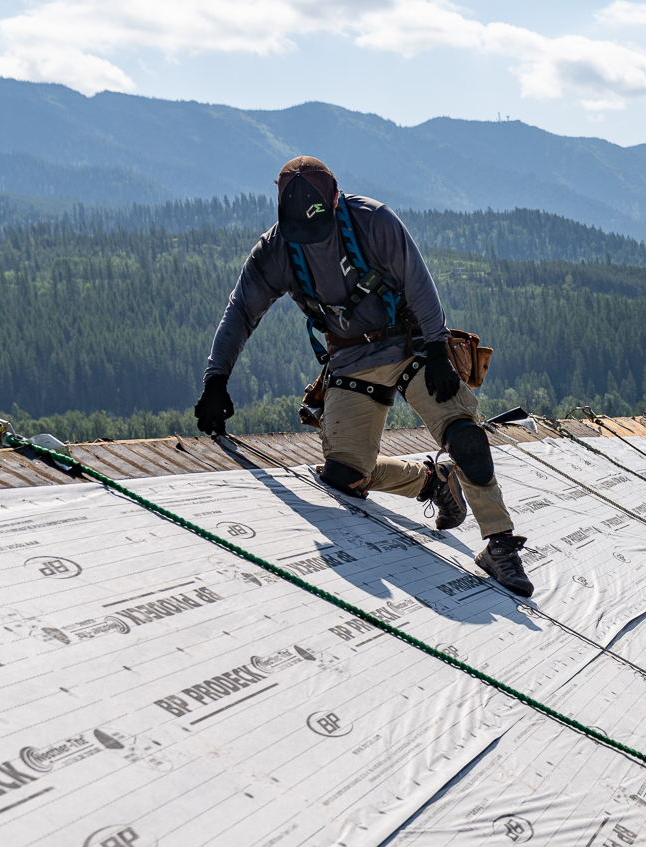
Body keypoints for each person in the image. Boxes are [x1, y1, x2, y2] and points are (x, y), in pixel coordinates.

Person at [193, 156, 533, 596]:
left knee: (463, 434)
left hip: (411, 343)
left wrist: (436, 349)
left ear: (336, 199)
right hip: (352, 358)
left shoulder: (374, 222)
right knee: (343, 476)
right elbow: (240, 312)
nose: (311, 239)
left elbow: (419, 283)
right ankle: (432, 481)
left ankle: (500, 544)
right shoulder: (276, 250)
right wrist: (215, 379)